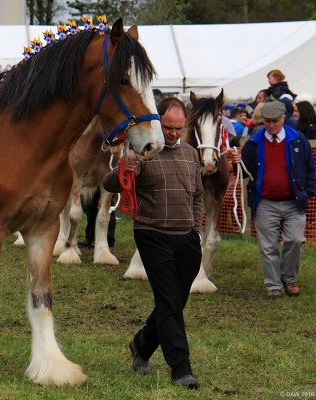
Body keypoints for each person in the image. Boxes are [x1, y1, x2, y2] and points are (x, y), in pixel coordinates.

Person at [103, 97, 203, 389]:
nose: (173, 133)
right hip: (152, 234)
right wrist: (126, 165)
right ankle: (181, 369)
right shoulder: (144, 151)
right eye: (169, 127)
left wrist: (196, 230)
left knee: (174, 303)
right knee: (169, 301)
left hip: (186, 238)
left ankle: (142, 346)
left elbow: (197, 196)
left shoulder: (191, 154)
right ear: (159, 123)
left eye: (179, 128)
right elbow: (111, 184)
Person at [231, 101, 316, 299]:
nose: (271, 125)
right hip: (265, 202)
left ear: (284, 119)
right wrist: (236, 165)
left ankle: (289, 278)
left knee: (294, 240)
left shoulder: (299, 140)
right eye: (268, 121)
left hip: (294, 201)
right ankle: (273, 284)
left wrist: (307, 193)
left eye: (275, 121)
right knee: (267, 246)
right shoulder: (254, 142)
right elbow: (244, 173)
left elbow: (310, 168)